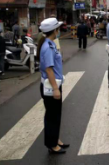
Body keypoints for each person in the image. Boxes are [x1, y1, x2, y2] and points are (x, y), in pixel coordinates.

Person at [37, 18, 68, 154]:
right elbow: (49, 69)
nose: (59, 31)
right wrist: (56, 89)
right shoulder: (47, 47)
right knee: (52, 116)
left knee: (55, 115)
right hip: (51, 86)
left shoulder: (49, 43)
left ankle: (55, 139)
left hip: (53, 84)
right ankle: (52, 145)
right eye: (58, 28)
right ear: (55, 30)